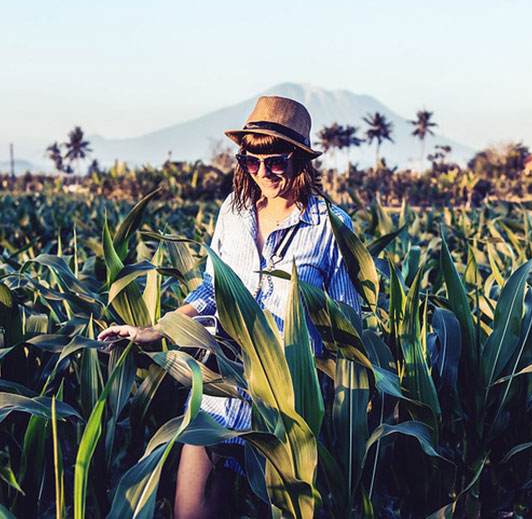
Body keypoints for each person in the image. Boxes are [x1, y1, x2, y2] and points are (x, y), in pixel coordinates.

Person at [98, 96, 361, 518]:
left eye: (275, 161)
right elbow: (210, 291)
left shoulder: (331, 227)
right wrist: (159, 329)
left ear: (300, 159)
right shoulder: (233, 214)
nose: (262, 173)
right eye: (251, 162)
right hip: (218, 396)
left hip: (285, 414)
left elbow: (348, 330)